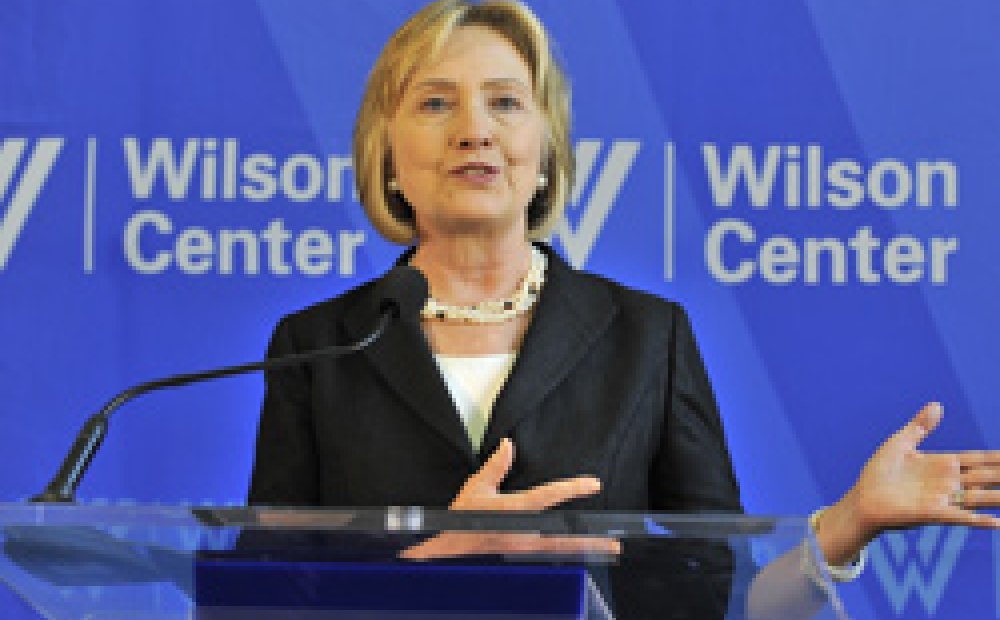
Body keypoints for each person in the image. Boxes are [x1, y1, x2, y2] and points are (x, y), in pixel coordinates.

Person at [249, 0, 1000, 591]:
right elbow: (262, 598)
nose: (474, 129)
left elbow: (722, 598)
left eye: (507, 103)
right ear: (387, 159)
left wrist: (847, 524)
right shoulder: (317, 347)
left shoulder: (648, 337)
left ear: (546, 155)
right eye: (436, 104)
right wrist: (445, 551)